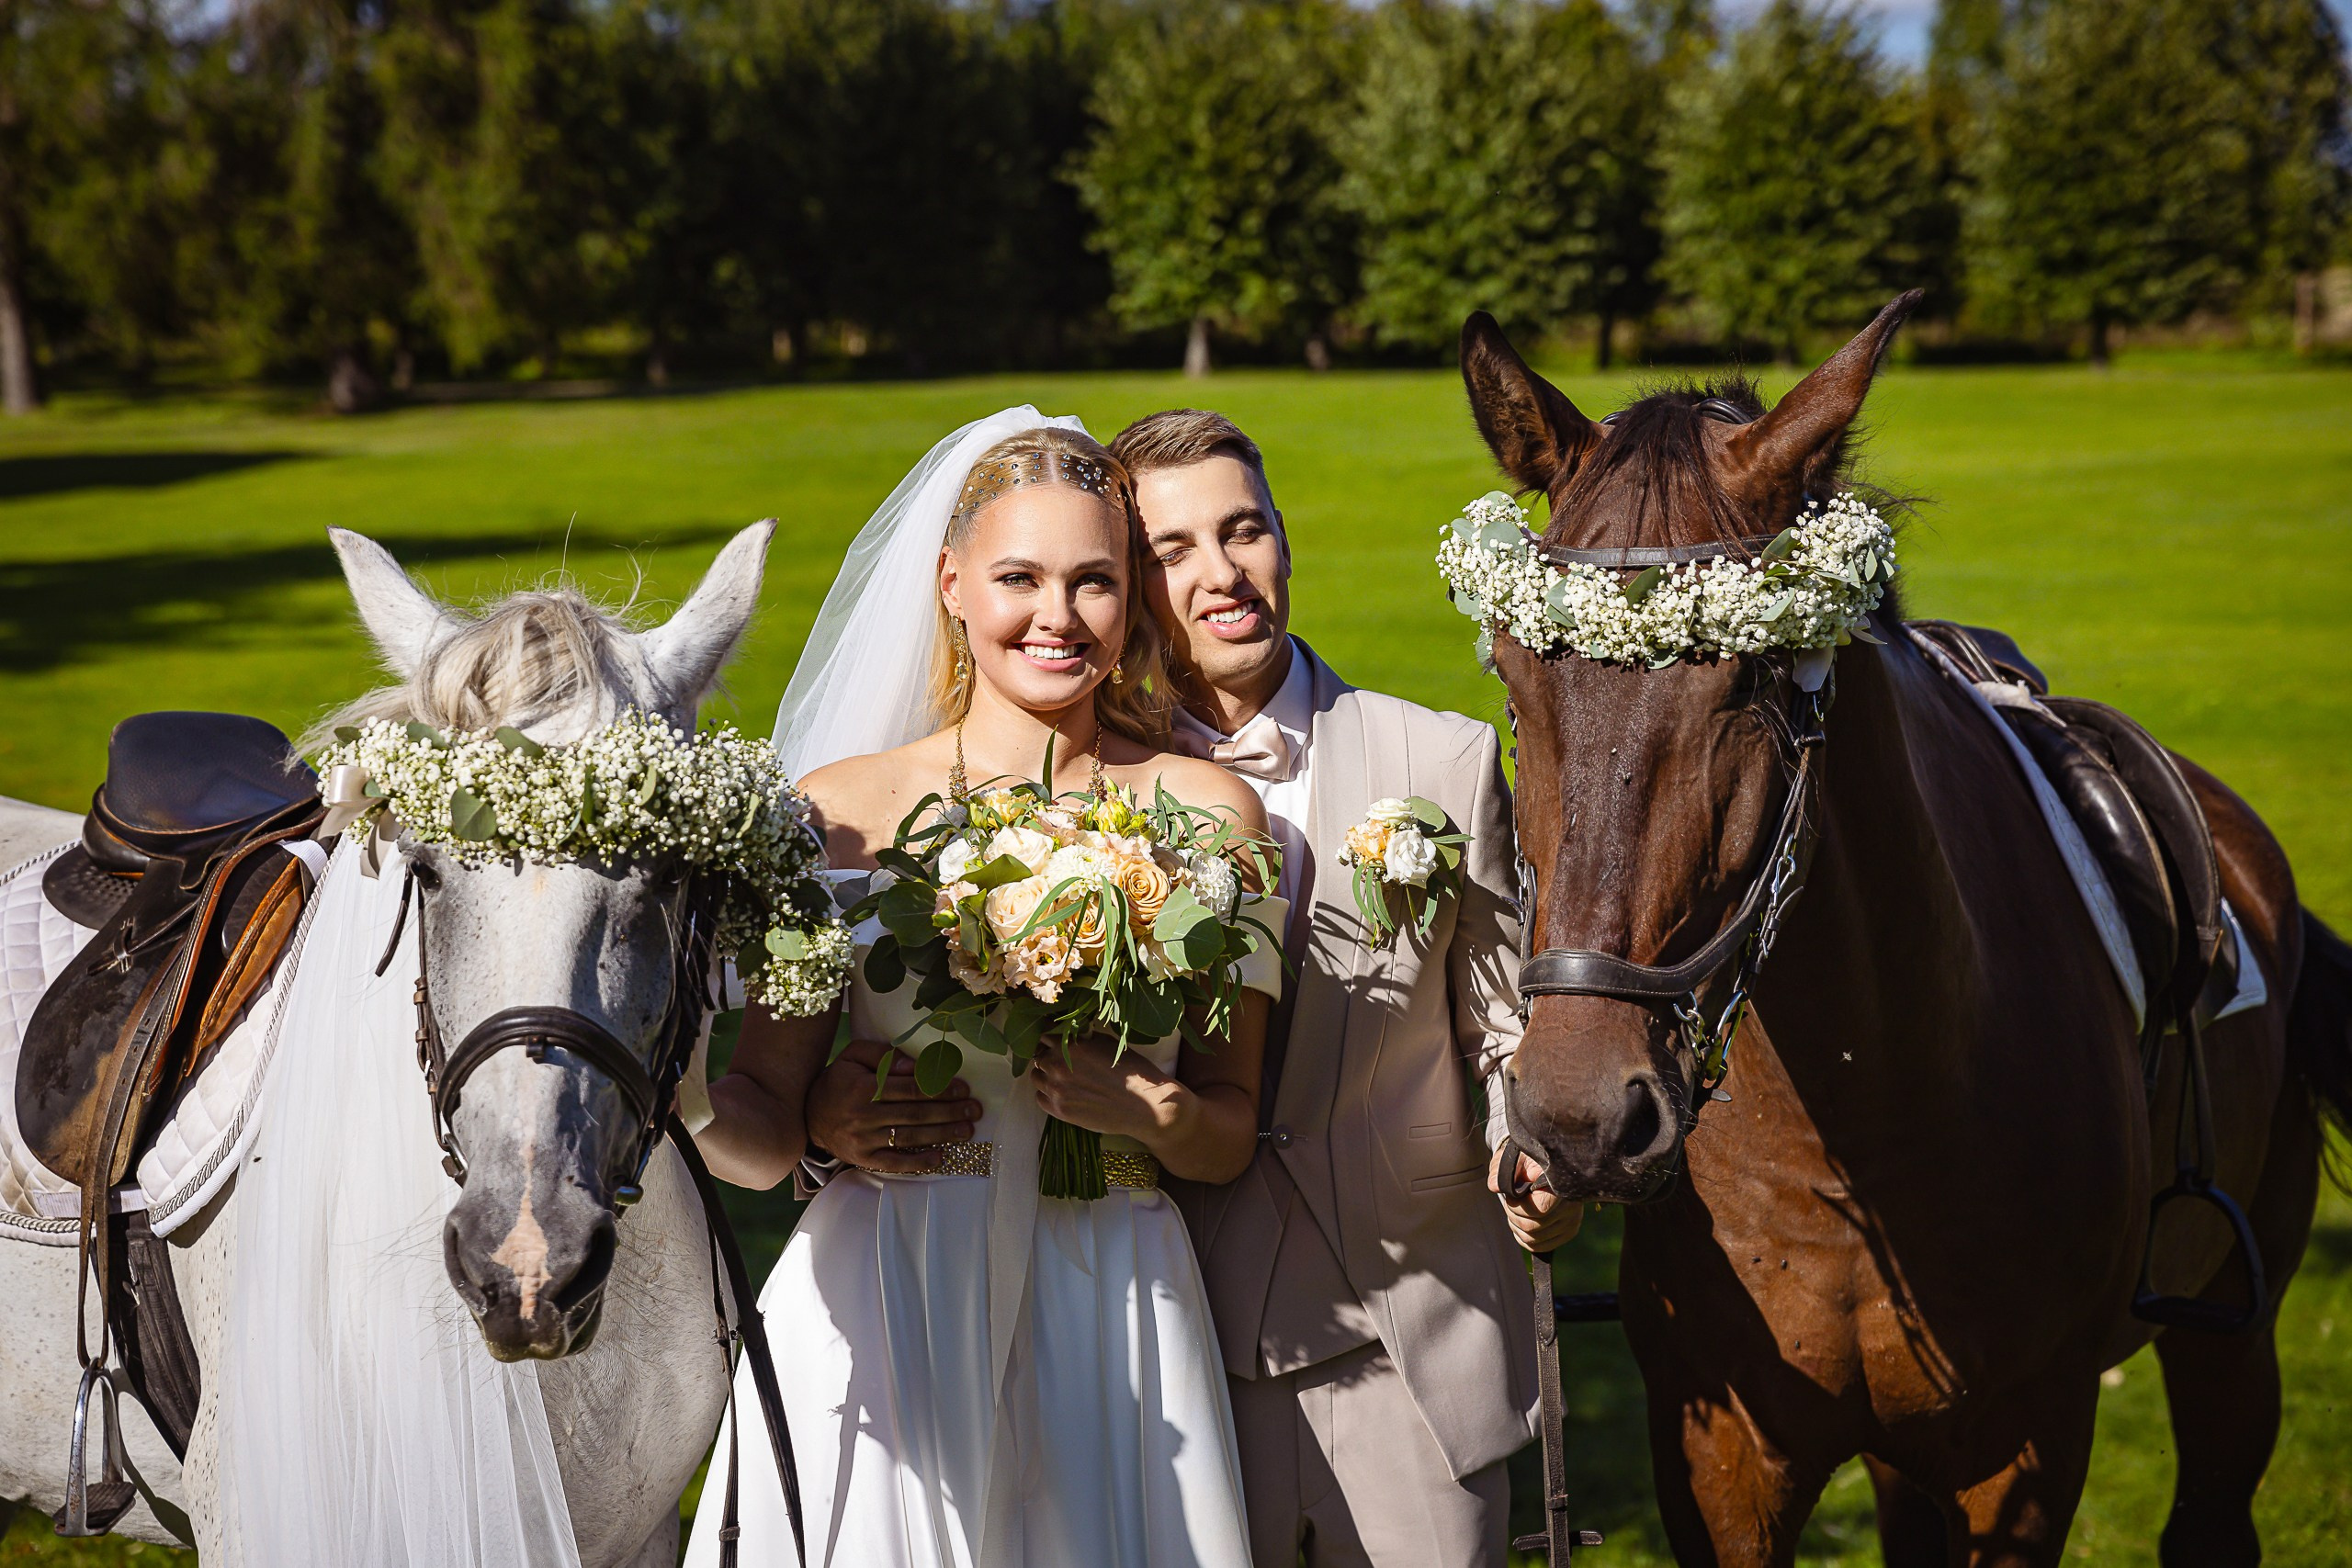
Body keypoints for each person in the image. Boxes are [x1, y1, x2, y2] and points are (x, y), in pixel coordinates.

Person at [684, 410, 1272, 1568]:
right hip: (890, 1287)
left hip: (1114, 1290)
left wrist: (1146, 1111)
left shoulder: (1210, 813)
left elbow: (1227, 1136)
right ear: (952, 583)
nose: (1058, 616)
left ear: (1131, 600)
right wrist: (708, 1101)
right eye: (1019, 578)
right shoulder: (838, 815)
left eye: (1094, 582)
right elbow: (759, 1127)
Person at [1108, 409, 1583, 1567]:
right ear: (1127, 583)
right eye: (1173, 550)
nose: (1224, 574)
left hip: (1415, 1334)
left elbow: (1499, 1024)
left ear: (1283, 536)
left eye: (1244, 530)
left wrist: (1539, 1162)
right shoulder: (1086, 797)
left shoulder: (1442, 760)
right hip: (1174, 1343)